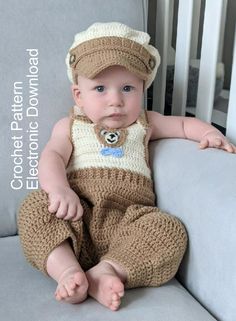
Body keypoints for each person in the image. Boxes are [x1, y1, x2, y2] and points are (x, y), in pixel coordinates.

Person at [18, 22, 236, 312]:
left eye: (127, 88)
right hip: (77, 216)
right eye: (100, 88)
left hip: (130, 221)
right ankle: (67, 270)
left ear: (143, 89)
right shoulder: (70, 125)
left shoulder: (146, 123)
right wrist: (59, 190)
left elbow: (183, 125)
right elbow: (51, 157)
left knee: (169, 229)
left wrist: (209, 133)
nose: (116, 101)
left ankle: (107, 271)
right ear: (78, 95)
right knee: (34, 208)